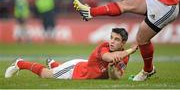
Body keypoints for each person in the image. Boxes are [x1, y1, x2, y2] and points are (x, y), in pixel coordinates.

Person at [73, 0, 180, 81]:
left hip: (166, 5)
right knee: (124, 4)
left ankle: (148, 70)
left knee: (141, 39)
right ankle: (90, 12)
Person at [5, 28, 138, 80]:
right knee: (46, 75)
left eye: (117, 39)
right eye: (112, 37)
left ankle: (54, 64)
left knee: (56, 69)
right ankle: (20, 63)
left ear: (123, 43)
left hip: (85, 68)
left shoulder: (124, 56)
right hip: (75, 70)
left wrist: (113, 71)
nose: (112, 42)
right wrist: (131, 49)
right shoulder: (104, 47)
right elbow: (109, 57)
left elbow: (117, 77)